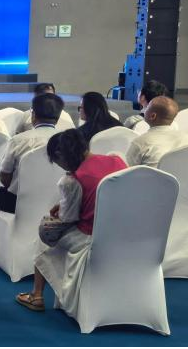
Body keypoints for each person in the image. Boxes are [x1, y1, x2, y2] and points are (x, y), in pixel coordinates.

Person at [14, 130, 127, 312]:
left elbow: (69, 218)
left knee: (44, 237)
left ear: (60, 155)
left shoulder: (72, 180)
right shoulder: (117, 161)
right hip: (122, 232)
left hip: (89, 237)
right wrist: (64, 203)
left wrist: (57, 215)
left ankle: (36, 295)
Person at [0, 93, 66, 246]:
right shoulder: (67, 141)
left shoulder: (18, 140)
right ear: (58, 117)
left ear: (33, 115)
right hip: (60, 203)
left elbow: (4, 177)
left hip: (18, 204)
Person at [124, 96, 188, 167]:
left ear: (153, 116)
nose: (145, 108)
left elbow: (126, 169)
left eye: (147, 107)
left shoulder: (140, 142)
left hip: (149, 175)